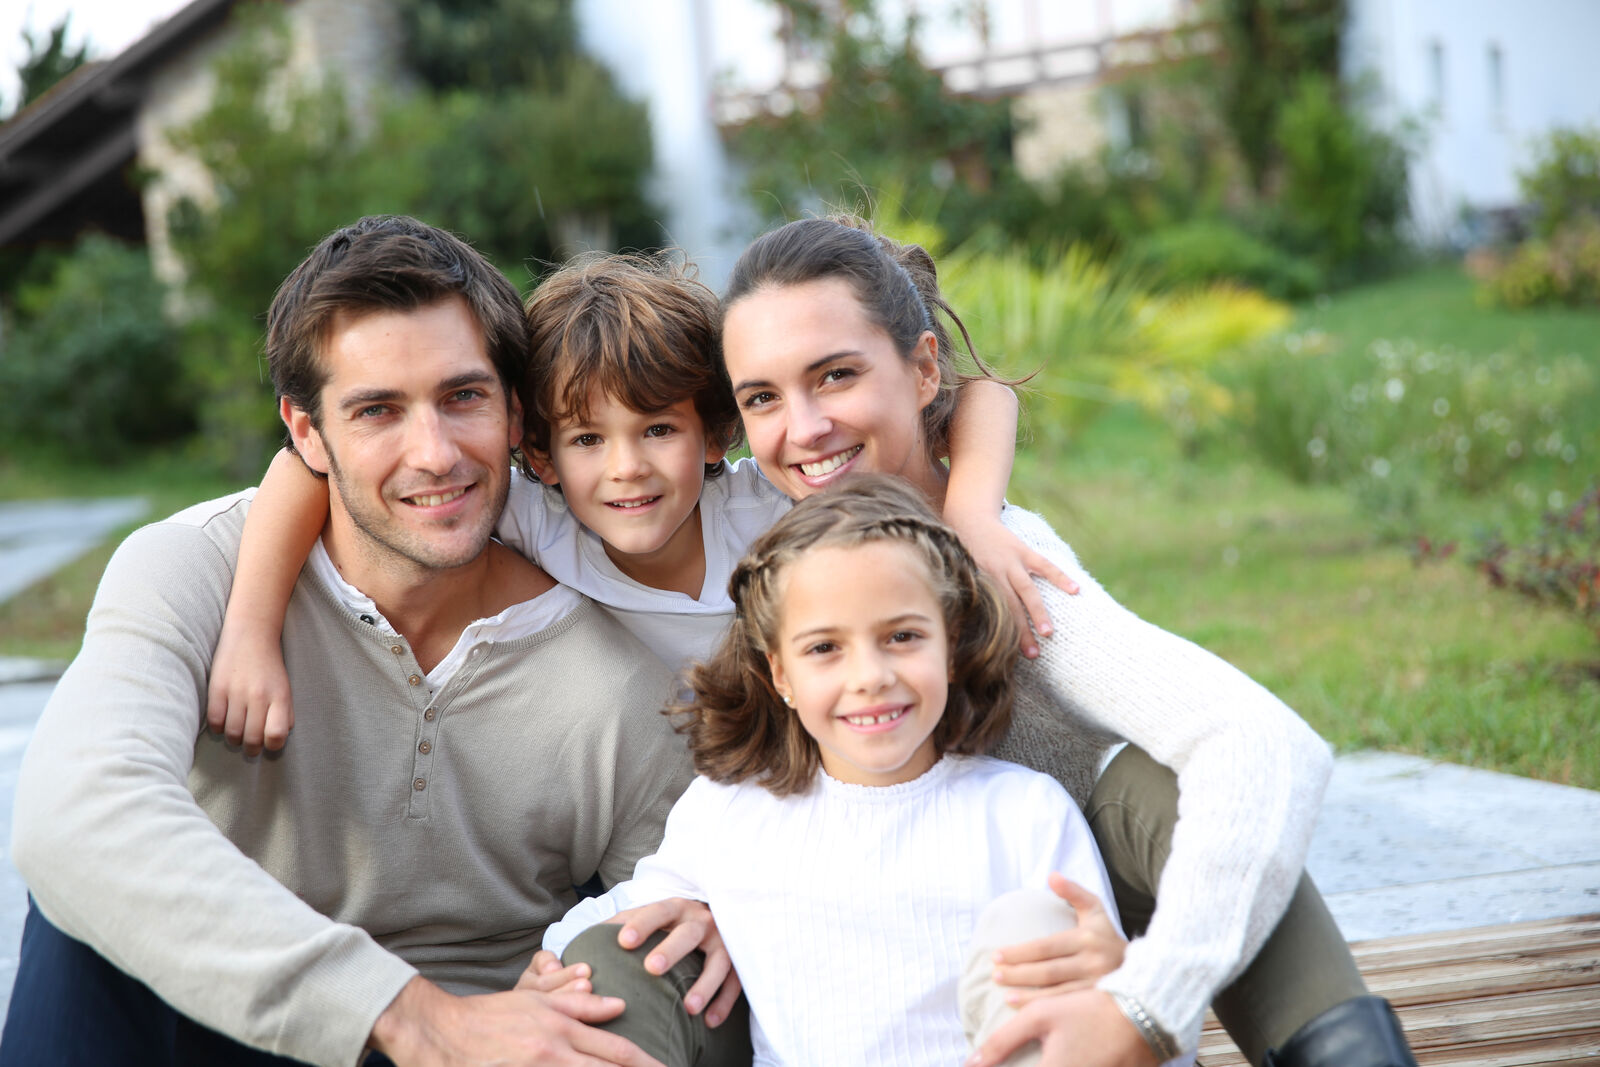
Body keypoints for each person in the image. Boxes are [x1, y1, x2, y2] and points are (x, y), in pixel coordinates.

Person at [1, 215, 721, 1067]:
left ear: (514, 410)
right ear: (306, 433)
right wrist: (409, 1017)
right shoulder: (192, 570)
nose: (435, 453)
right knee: (83, 903)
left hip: (486, 1043)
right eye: (377, 410)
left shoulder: (620, 685)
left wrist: (710, 904)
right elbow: (73, 816)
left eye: (463, 397)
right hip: (223, 1019)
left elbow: (691, 907)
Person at [709, 215, 1416, 1067]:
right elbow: (984, 396)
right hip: (865, 924)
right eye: (762, 397)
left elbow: (1267, 743)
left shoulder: (1006, 562)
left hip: (1053, 899)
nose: (805, 426)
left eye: (837, 375)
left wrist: (1146, 997)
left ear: (924, 367)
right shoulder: (753, 509)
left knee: (1159, 791)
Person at [207, 250, 1067, 752]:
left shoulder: (772, 512)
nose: (626, 470)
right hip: (671, 808)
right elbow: (303, 466)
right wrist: (250, 628)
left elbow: (983, 396)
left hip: (838, 754)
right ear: (538, 450)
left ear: (715, 432)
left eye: (658, 429)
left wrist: (971, 514)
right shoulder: (537, 513)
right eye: (587, 439)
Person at [542, 476, 1155, 1067]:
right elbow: (618, 919)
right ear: (779, 674)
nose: (870, 676)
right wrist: (545, 973)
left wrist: (1118, 982)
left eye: (903, 636)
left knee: (1037, 926)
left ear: (951, 644)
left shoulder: (1025, 813)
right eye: (824, 648)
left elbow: (1103, 994)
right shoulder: (727, 810)